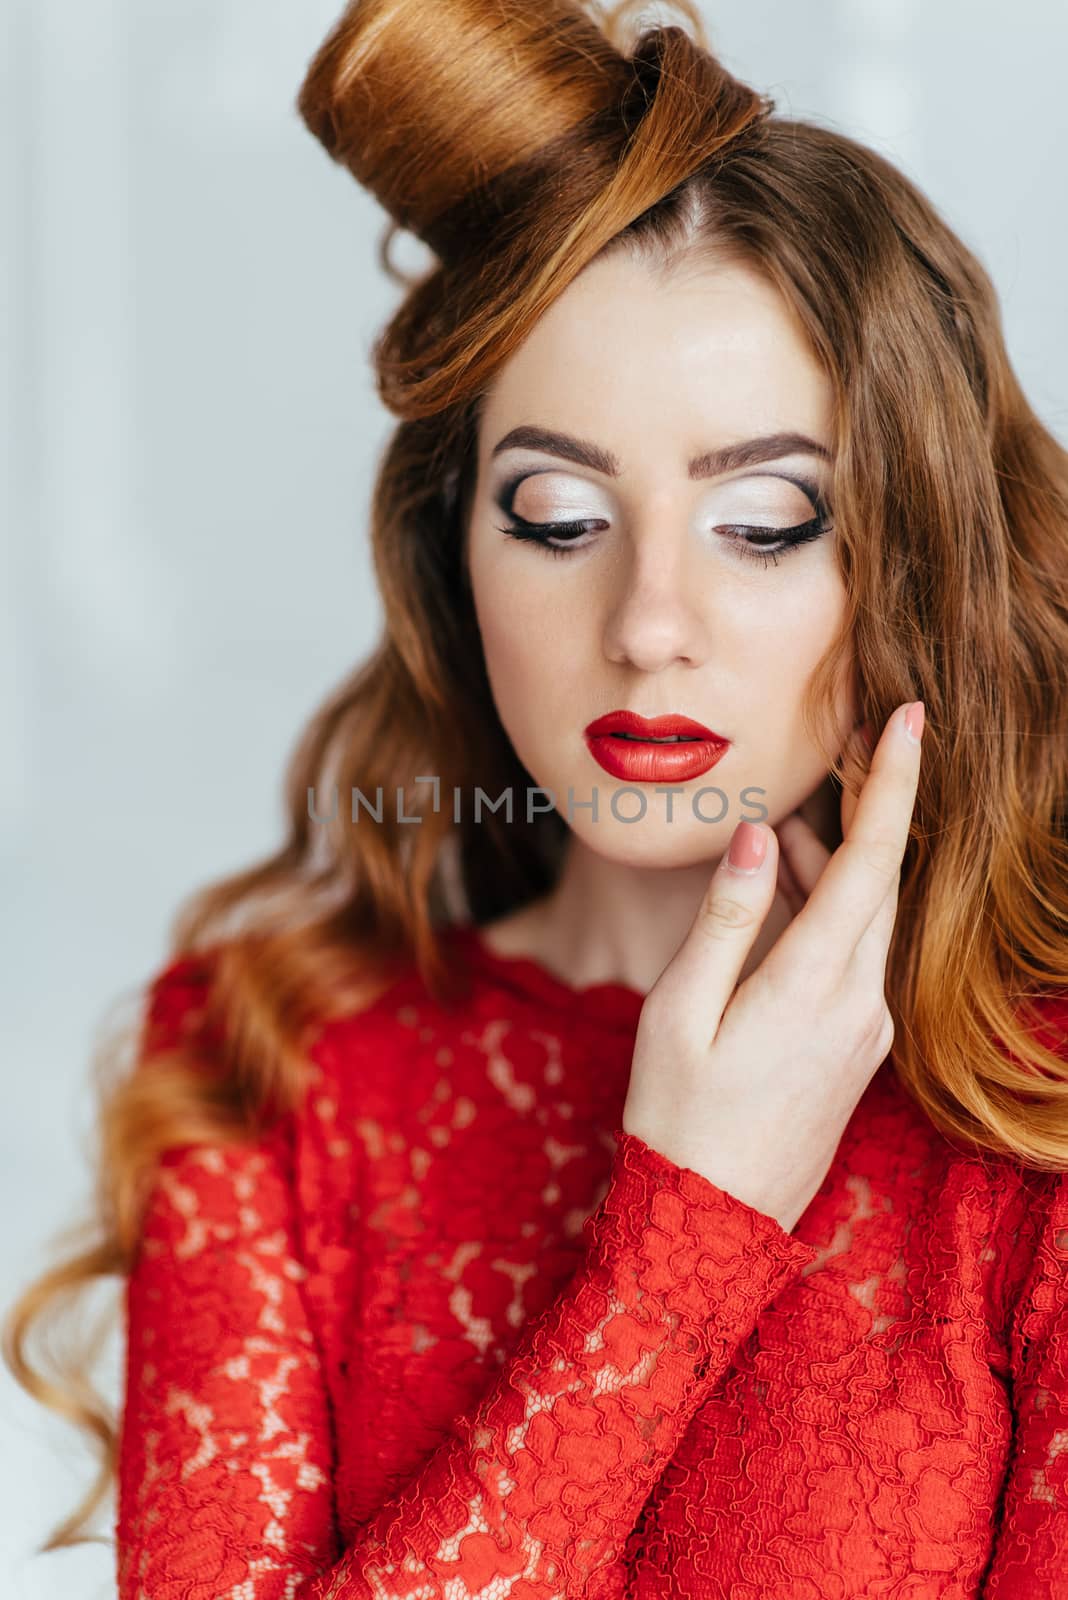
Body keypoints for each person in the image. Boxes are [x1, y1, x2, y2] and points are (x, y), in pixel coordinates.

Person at [5, 0, 1068, 1595]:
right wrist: (687, 1235)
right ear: (455, 565)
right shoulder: (268, 1066)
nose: (649, 620)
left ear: (913, 557)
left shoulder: (1034, 1107)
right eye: (561, 517)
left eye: (766, 520)